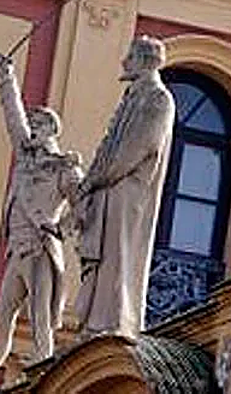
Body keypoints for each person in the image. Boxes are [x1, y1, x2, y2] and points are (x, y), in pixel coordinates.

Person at [0, 56, 85, 387]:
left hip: (39, 248)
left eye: (38, 125)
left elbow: (84, 208)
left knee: (41, 319)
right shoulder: (25, 156)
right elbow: (12, 116)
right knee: (3, 319)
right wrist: (7, 77)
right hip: (17, 251)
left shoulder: (63, 168)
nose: (31, 128)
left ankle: (45, 373)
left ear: (51, 130)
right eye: (31, 124)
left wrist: (60, 230)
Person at [70, 36, 175, 340]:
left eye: (129, 56)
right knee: (104, 257)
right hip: (109, 189)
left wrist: (94, 180)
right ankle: (94, 324)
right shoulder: (132, 97)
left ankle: (115, 323)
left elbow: (136, 148)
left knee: (120, 255)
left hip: (127, 191)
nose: (123, 62)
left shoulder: (158, 99)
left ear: (144, 60)